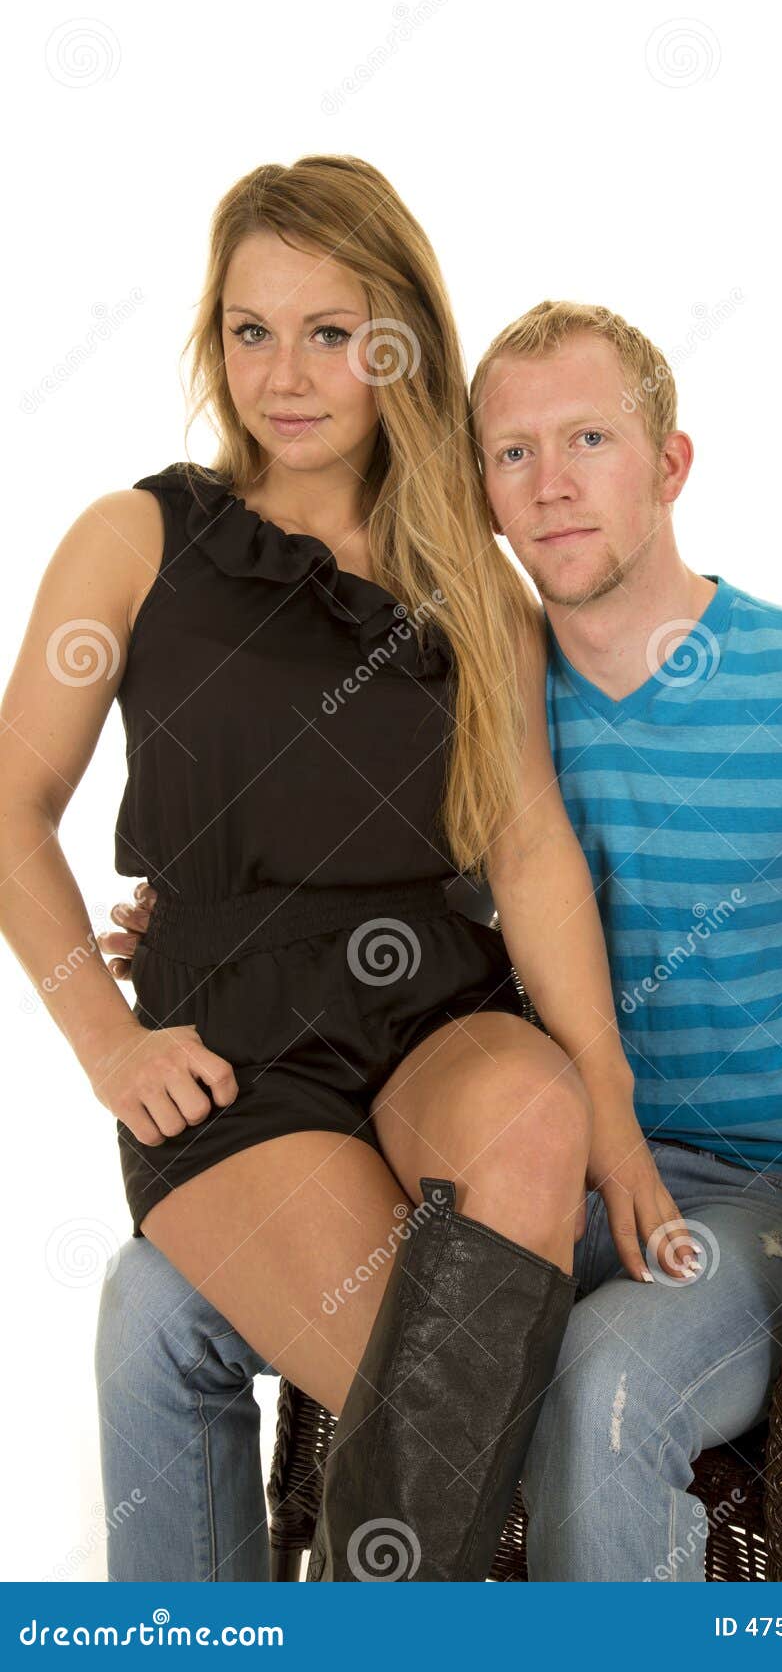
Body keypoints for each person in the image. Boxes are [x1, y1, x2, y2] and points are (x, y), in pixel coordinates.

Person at [96, 300, 782, 1582]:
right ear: (480, 491)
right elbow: (357, 883)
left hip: (752, 1203)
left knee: (607, 1388)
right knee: (150, 1307)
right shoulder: (460, 684)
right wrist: (221, 919)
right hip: (511, 1180)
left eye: (590, 440)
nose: (549, 487)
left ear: (668, 465)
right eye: (510, 454)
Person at [0, 161, 699, 1587]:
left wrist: (616, 1125)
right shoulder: (136, 539)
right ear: (213, 338)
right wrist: (105, 1042)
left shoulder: (466, 576)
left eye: (331, 332)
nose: (288, 374)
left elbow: (528, 850)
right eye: (251, 331)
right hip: (235, 1053)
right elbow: (13, 801)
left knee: (528, 1107)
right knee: (451, 1406)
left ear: (398, 343)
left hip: (434, 1004)